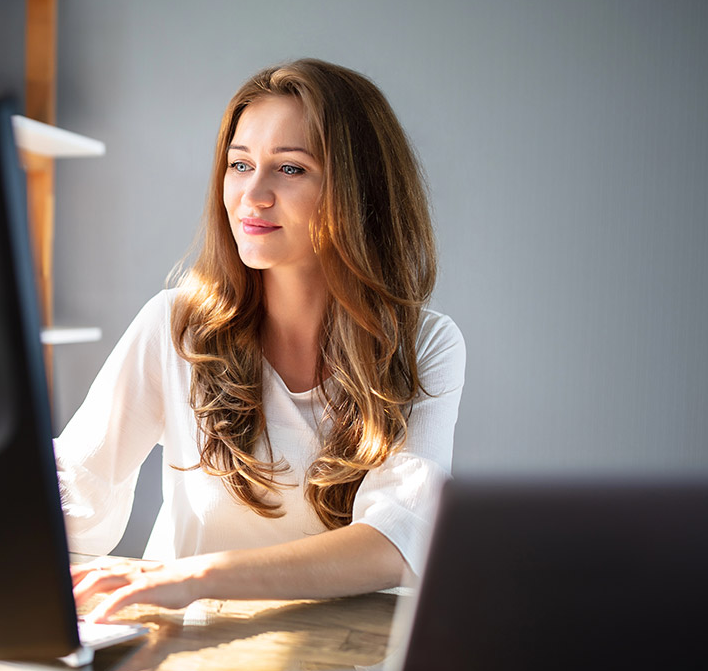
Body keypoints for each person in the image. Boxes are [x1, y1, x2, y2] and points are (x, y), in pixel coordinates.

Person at [57, 59, 466, 622]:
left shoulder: (426, 345)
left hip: (339, 669)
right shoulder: (176, 327)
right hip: (187, 665)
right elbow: (74, 491)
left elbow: (394, 541)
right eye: (239, 164)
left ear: (358, 189)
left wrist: (190, 577)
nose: (252, 194)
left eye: (291, 170)